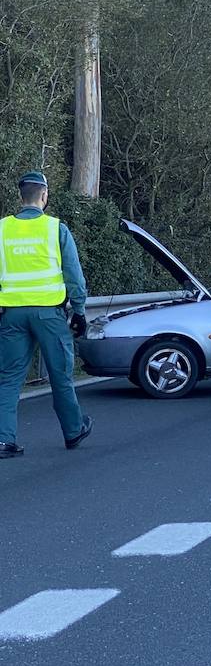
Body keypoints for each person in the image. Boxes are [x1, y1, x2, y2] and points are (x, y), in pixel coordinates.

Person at [0, 171, 94, 458]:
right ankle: (73, 430)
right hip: (48, 315)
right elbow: (74, 276)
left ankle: (4, 441)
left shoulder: (3, 229)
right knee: (60, 375)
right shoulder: (55, 229)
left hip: (12, 315)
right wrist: (78, 311)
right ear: (44, 195)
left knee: (8, 379)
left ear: (20, 196)